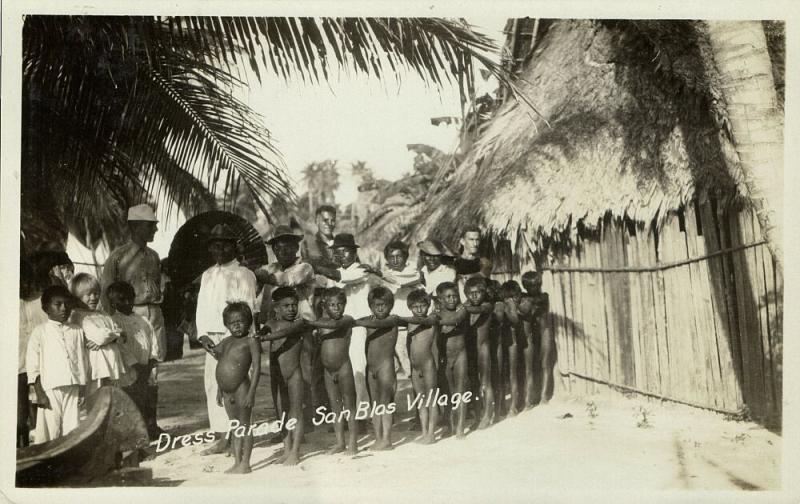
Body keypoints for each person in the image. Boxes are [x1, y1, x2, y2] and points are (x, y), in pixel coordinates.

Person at [101, 204, 165, 437]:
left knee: (154, 372)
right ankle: (136, 426)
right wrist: (112, 325)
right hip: (129, 317)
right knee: (133, 373)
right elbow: (107, 293)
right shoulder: (118, 257)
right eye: (150, 226)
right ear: (135, 226)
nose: (154, 230)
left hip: (153, 316)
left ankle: (152, 423)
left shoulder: (154, 256)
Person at [196, 224, 258, 455]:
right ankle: (222, 436)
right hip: (211, 338)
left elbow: (247, 309)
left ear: (233, 246)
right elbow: (201, 307)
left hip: (234, 337)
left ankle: (237, 436)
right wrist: (202, 334)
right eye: (214, 246)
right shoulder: (208, 274)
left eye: (223, 245)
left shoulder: (244, 274)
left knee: (237, 383)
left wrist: (237, 339)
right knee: (214, 384)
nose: (219, 250)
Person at [256, 225, 321, 431]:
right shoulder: (270, 268)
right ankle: (285, 426)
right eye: (278, 248)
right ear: (273, 250)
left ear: (296, 247)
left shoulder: (305, 267)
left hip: (301, 328)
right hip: (276, 329)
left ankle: (305, 426)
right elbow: (260, 286)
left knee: (302, 378)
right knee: (278, 378)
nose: (282, 251)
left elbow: (286, 280)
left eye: (287, 247)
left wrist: (257, 273)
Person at [26, 285, 88, 444]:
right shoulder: (40, 332)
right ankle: (49, 462)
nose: (63, 308)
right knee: (51, 430)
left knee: (72, 428)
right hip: (50, 389)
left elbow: (82, 359)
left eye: (67, 304)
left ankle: (69, 461)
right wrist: (40, 393)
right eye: (58, 304)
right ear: (46, 308)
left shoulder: (77, 331)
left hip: (73, 386)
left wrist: (82, 386)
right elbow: (32, 367)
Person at [204, 303, 261, 474]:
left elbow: (257, 368)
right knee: (235, 426)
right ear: (226, 325)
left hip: (242, 389)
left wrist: (251, 393)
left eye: (240, 321)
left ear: (249, 322)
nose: (236, 325)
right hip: (227, 392)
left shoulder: (251, 341)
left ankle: (246, 463)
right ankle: (237, 462)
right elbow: (218, 357)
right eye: (232, 322)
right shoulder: (226, 341)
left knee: (244, 426)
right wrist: (204, 341)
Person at [329, 233, 381, 417]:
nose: (341, 255)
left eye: (345, 251)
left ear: (353, 252)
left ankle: (362, 414)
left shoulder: (361, 270)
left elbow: (342, 277)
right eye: (337, 252)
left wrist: (318, 267)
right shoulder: (334, 274)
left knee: (358, 367)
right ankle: (347, 412)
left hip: (359, 326)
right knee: (342, 370)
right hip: (340, 327)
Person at [258, 287, 308, 465]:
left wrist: (264, 338)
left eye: (294, 305)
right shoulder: (271, 323)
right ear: (276, 308)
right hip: (277, 376)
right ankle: (286, 449)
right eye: (286, 306)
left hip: (294, 374)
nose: (291, 309)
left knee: (296, 412)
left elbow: (284, 333)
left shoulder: (299, 323)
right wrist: (260, 334)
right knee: (281, 413)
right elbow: (264, 330)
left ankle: (295, 451)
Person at [306, 287, 359, 455]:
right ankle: (340, 442)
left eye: (340, 304)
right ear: (325, 306)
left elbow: (334, 324)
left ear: (345, 305)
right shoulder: (321, 323)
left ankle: (353, 443)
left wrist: (310, 323)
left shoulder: (346, 320)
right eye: (332, 305)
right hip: (328, 371)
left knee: (349, 406)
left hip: (344, 368)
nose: (337, 308)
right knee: (335, 408)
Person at [108, 281, 159, 424]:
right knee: (133, 398)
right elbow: (120, 347)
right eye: (122, 300)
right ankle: (137, 430)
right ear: (113, 304)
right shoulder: (114, 322)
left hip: (147, 365)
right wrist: (135, 365)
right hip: (131, 370)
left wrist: (153, 359)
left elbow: (152, 338)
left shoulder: (142, 319)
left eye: (130, 298)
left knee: (150, 393)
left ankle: (152, 425)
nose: (128, 302)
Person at [69, 273, 128, 395]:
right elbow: (100, 336)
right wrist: (114, 336)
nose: (93, 297)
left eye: (96, 293)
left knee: (114, 399)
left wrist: (114, 336)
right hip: (97, 366)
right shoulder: (78, 315)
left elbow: (121, 333)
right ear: (77, 297)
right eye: (88, 294)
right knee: (97, 399)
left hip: (112, 364)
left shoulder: (102, 314)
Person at [356, 287, 399, 450]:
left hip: (385, 367)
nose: (380, 308)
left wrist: (355, 322)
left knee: (385, 403)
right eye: (376, 305)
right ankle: (378, 437)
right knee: (375, 405)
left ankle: (387, 439)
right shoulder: (368, 319)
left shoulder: (392, 319)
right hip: (371, 369)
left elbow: (375, 323)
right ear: (370, 306)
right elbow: (364, 321)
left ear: (391, 305)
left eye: (384, 305)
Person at [400, 290, 439, 444]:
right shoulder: (410, 322)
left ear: (428, 306)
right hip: (415, 367)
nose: (419, 310)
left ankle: (431, 433)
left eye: (423, 306)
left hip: (428, 364)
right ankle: (424, 432)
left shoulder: (432, 318)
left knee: (432, 399)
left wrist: (401, 318)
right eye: (415, 307)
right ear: (410, 307)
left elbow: (427, 321)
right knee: (420, 400)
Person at [433, 281, 470, 438]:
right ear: (440, 299)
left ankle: (460, 426)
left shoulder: (462, 310)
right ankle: (449, 424)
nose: (452, 299)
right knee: (447, 392)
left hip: (460, 356)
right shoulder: (436, 313)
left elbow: (456, 319)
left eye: (455, 296)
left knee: (460, 391)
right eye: (447, 297)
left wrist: (437, 322)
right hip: (445, 358)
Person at [381, 240, 421, 380]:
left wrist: (382, 275)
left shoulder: (413, 271)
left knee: (416, 356)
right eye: (392, 257)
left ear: (405, 257)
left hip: (414, 320)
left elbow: (403, 281)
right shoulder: (386, 275)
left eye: (399, 256)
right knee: (402, 355)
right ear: (387, 259)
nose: (396, 260)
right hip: (397, 322)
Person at [18, 257, 47, 447]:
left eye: (26, 279)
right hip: (16, 367)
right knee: (19, 417)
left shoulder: (42, 300)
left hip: (42, 365)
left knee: (43, 413)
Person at [462, 276, 496, 428]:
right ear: (466, 293)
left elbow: (478, 309)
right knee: (473, 384)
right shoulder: (464, 306)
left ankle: (488, 415)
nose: (474, 296)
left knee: (485, 383)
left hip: (483, 349)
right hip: (469, 351)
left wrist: (461, 308)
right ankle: (477, 416)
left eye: (477, 293)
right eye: (470, 293)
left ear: (484, 293)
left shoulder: (487, 306)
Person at [521, 271, 554, 405]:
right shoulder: (524, 298)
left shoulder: (544, 297)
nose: (534, 288)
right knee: (529, 366)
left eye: (536, 285)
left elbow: (534, 303)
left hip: (544, 332)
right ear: (526, 286)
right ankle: (529, 398)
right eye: (530, 286)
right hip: (530, 335)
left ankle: (544, 396)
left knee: (545, 364)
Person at [500, 280, 525, 416]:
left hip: (512, 341)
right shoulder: (508, 303)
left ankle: (513, 406)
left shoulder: (510, 304)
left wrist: (508, 308)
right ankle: (507, 406)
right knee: (507, 374)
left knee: (511, 374)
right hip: (506, 341)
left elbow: (514, 319)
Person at [417, 240, 457, 307]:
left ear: (441, 256)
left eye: (435, 256)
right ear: (422, 256)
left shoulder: (448, 272)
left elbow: (444, 296)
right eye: (428, 255)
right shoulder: (420, 272)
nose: (432, 259)